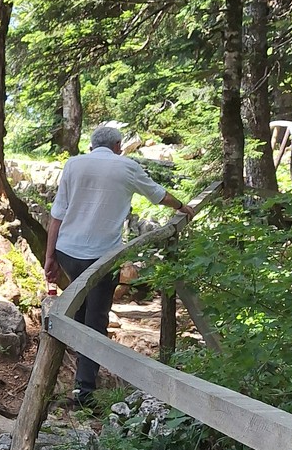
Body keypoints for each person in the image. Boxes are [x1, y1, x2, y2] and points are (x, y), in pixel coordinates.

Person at [44, 123, 194, 405]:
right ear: (118, 146)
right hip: (102, 257)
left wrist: (50, 257)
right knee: (95, 318)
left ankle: (73, 381)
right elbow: (158, 195)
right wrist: (181, 206)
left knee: (79, 311)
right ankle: (84, 390)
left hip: (68, 252)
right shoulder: (126, 167)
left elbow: (56, 215)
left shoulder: (73, 165)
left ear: (91, 146)